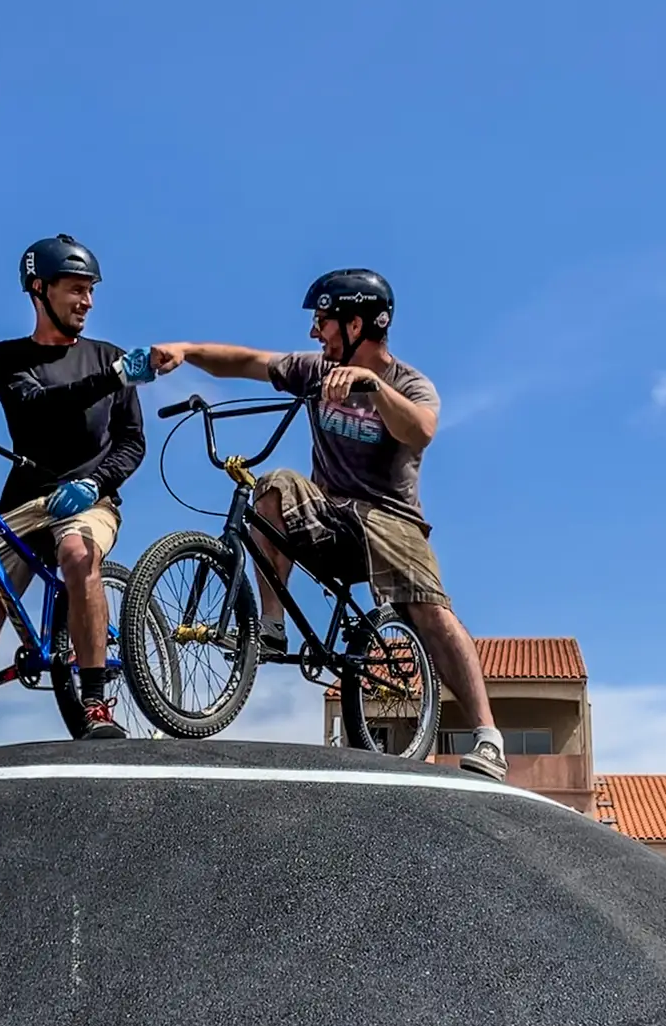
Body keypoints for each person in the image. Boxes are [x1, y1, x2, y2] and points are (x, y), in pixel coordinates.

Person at [143, 269, 509, 781]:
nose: (315, 333)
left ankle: (488, 737)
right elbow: (249, 362)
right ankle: (270, 626)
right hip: (329, 514)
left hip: (390, 520)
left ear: (355, 323)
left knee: (431, 614)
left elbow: (420, 430)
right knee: (272, 486)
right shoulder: (314, 371)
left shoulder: (408, 383)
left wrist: (372, 387)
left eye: (323, 322)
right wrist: (187, 348)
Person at [0, 233, 151, 746]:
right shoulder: (3, 358)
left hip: (90, 499)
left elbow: (132, 444)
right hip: (23, 505)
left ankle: (94, 701)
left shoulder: (107, 355)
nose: (87, 301)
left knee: (76, 549)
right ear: (39, 289)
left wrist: (95, 482)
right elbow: (39, 408)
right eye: (75, 289)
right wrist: (112, 378)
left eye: (91, 291)